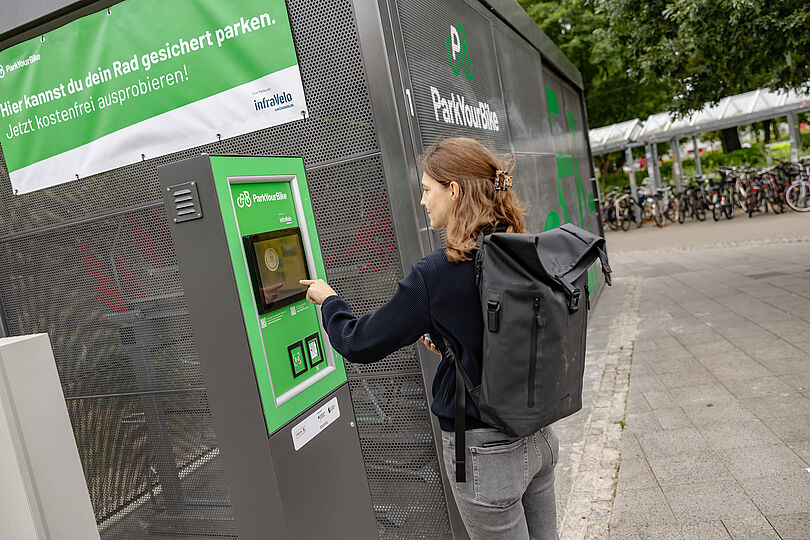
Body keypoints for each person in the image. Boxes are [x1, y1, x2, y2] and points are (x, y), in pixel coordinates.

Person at [300, 137, 560, 540]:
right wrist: (453, 344)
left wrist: (330, 301)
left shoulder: (436, 274)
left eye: (426, 190)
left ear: (453, 191)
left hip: (486, 454)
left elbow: (360, 342)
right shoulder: (522, 247)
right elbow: (500, 330)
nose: (423, 201)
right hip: (540, 437)